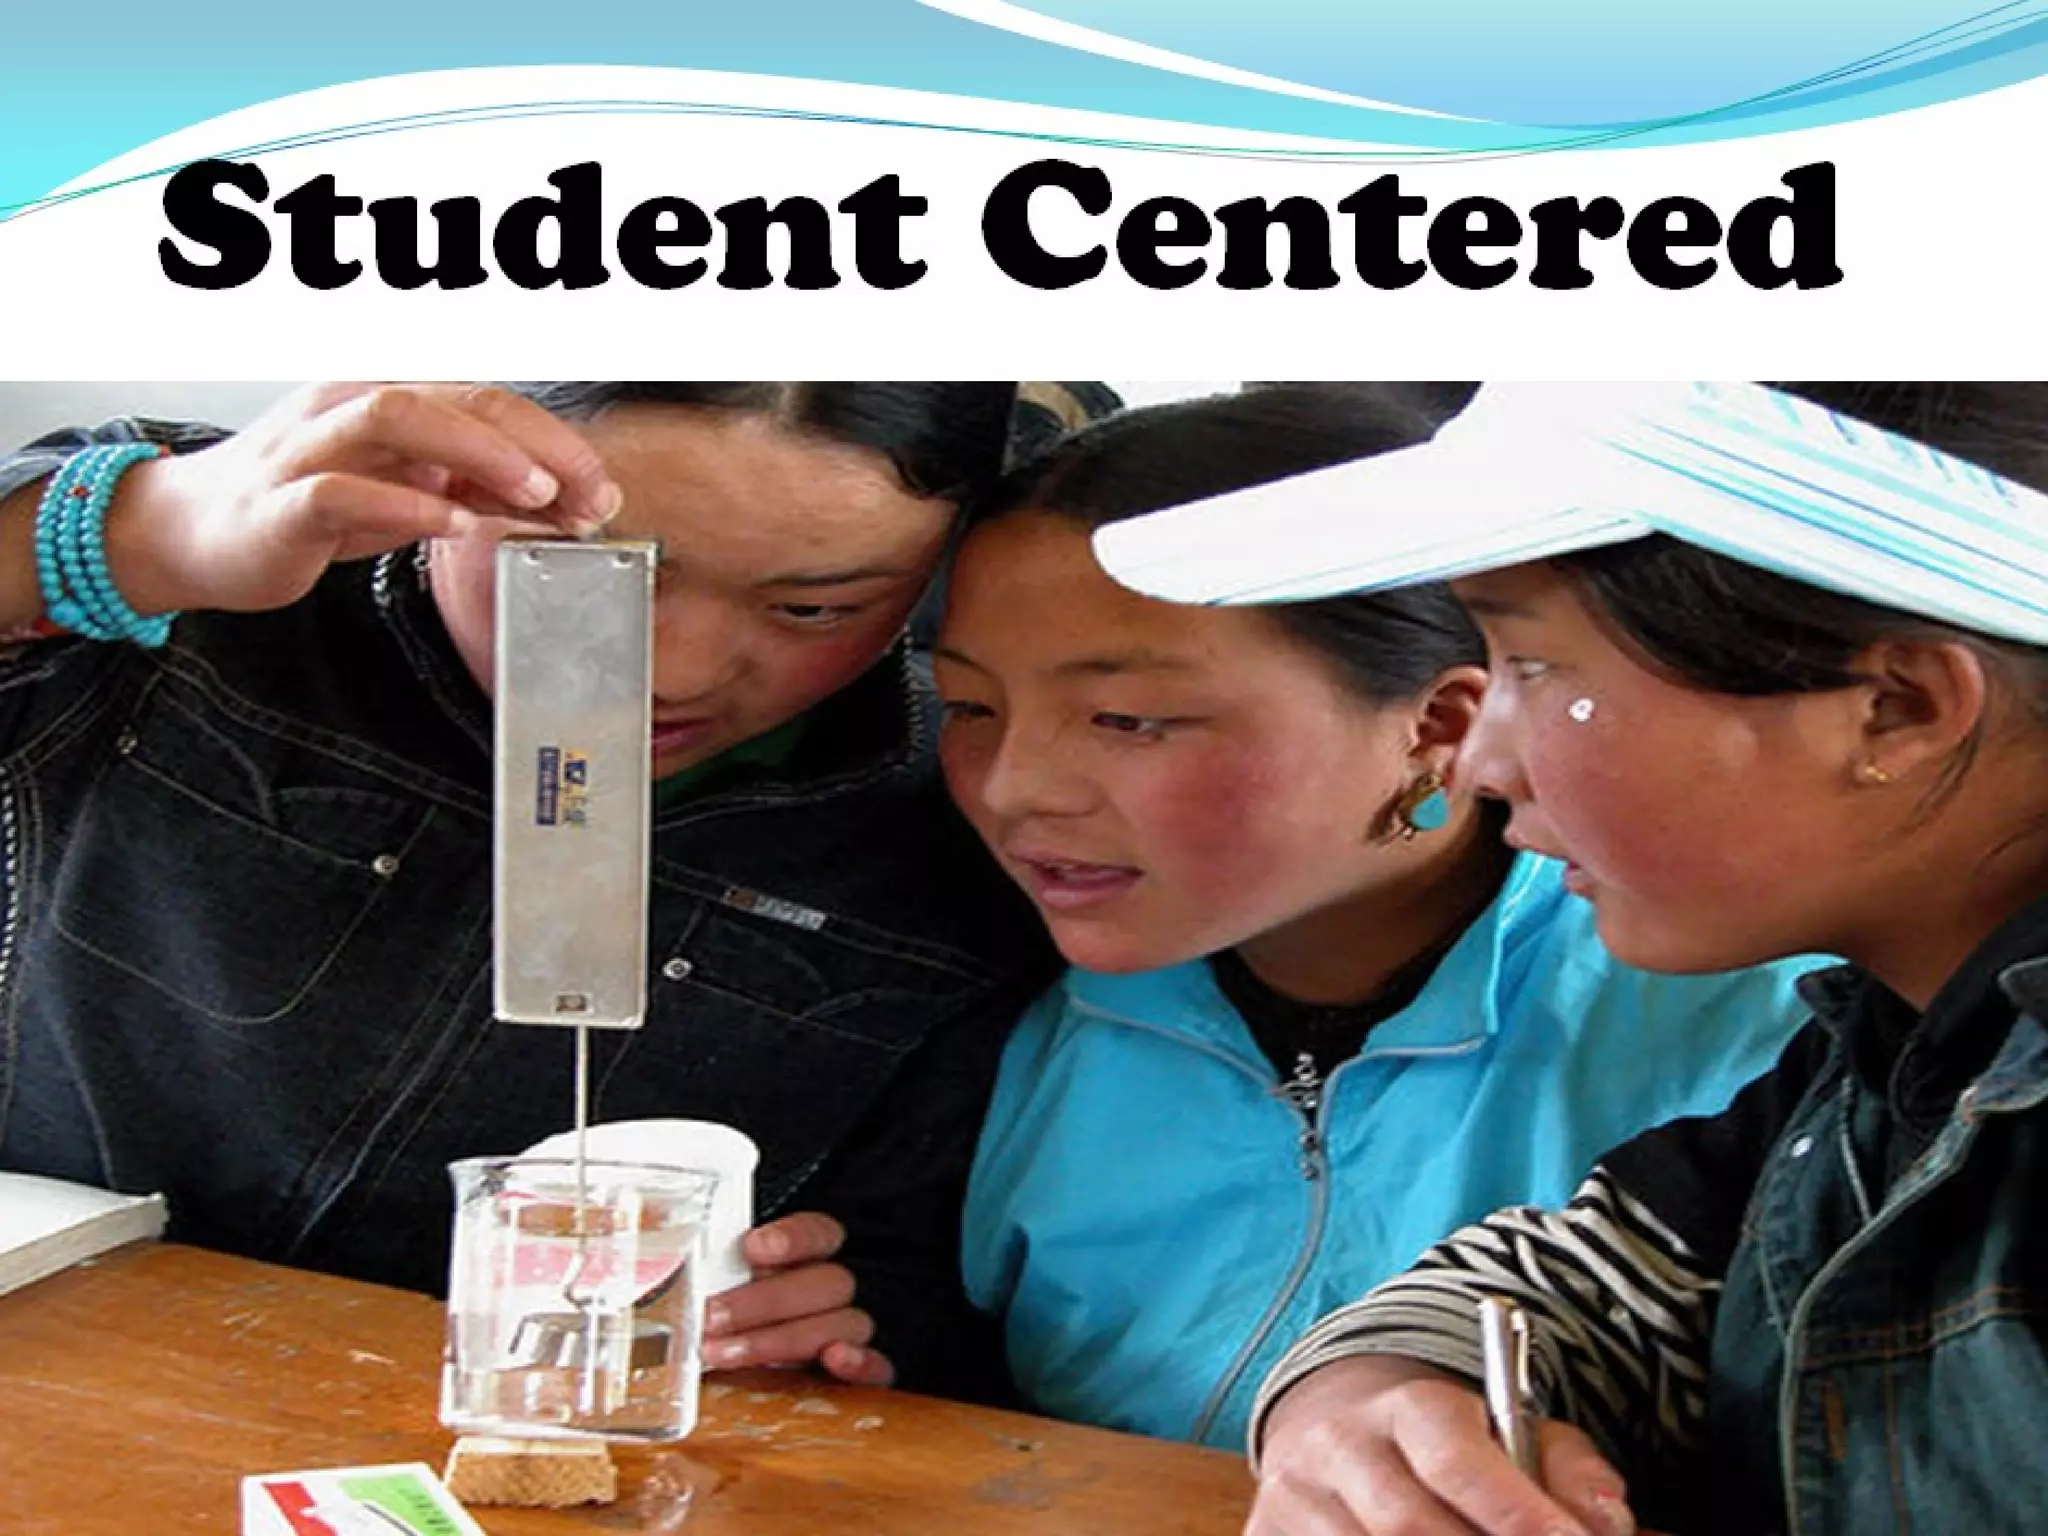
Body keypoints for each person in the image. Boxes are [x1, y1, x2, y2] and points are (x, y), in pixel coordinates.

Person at [0, 380, 1105, 1399]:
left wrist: (846, 1311)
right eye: (584, 572)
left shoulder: (969, 818)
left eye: (812, 611)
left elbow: (929, 1276)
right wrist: (140, 533)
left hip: (505, 1438)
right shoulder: (211, 567)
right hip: (49, 1355)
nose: (669, 670)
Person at [1091, 381, 2048, 1533]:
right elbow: (1612, 1279)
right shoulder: (1895, 1054)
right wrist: (1382, 1401)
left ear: (1894, 707)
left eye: (1533, 666)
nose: (1480, 765)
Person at [933, 384, 1821, 1450]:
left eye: (1128, 719)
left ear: (1438, 727)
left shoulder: (1759, 1035)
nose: (1012, 787)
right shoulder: (985, 997)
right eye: (969, 707)